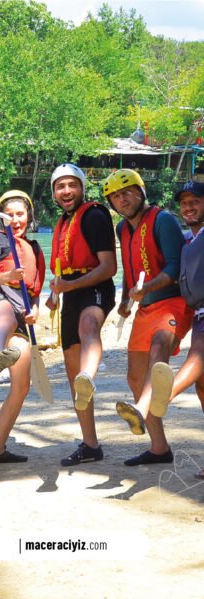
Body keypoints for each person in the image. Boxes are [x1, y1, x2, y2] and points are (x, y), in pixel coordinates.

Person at [104, 169, 192, 466]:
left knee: (159, 351)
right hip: (144, 308)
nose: (122, 199)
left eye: (128, 192)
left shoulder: (163, 220)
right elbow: (130, 270)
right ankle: (159, 448)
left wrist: (147, 288)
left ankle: (140, 410)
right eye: (116, 196)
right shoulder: (121, 228)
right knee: (135, 377)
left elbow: (174, 268)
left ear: (141, 192)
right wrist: (125, 301)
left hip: (173, 303)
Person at [45, 164, 117, 466]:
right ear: (54, 193)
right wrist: (55, 294)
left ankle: (88, 375)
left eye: (72, 185)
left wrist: (70, 286)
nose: (66, 191)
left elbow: (109, 267)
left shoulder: (95, 216)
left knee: (89, 325)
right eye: (60, 186)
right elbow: (62, 269)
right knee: (72, 376)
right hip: (71, 293)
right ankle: (90, 445)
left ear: (82, 188)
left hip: (95, 286)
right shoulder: (64, 221)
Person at [0, 191, 45, 463]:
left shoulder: (35, 248)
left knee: (21, 386)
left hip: (21, 312)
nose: (16, 220)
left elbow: (35, 291)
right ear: (2, 217)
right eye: (10, 215)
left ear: (28, 215)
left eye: (20, 214)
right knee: (5, 318)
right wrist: (7, 275)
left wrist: (36, 310)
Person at [151, 180, 204, 479]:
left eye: (195, 201)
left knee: (198, 355)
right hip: (198, 315)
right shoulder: (188, 239)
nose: (188, 207)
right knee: (203, 387)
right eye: (184, 203)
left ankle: (163, 397)